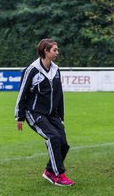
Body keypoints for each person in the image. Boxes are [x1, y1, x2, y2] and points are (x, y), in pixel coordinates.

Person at [14, 38, 75, 186]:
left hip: (52, 114)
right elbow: (22, 93)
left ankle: (49, 170)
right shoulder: (32, 70)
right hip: (34, 113)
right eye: (54, 50)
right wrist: (19, 116)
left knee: (64, 144)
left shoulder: (55, 69)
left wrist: (60, 116)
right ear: (45, 51)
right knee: (53, 137)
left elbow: (59, 94)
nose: (57, 53)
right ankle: (58, 175)